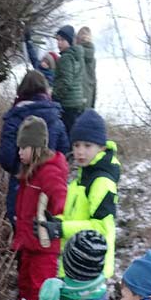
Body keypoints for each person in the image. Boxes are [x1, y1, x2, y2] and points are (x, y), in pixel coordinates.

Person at [37, 109, 120, 280]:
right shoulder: (79, 180)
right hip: (74, 266)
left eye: (87, 146)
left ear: (102, 147)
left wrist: (61, 229)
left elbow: (102, 229)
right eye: (76, 145)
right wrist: (54, 223)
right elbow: (75, 217)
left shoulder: (102, 182)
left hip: (91, 271)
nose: (80, 152)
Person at [10, 115, 68, 300]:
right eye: (19, 147)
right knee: (25, 288)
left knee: (39, 294)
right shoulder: (30, 172)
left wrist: (53, 221)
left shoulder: (49, 172)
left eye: (23, 148)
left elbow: (61, 200)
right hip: (29, 245)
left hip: (43, 248)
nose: (19, 152)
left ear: (36, 147)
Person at [0, 70, 69, 226]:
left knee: (22, 228)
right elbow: (64, 150)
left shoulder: (15, 117)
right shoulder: (55, 116)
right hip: (50, 181)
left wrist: (20, 170)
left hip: (21, 185)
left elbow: (6, 157)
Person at [51, 25, 86, 138]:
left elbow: (66, 81)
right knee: (74, 137)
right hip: (77, 103)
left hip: (67, 104)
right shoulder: (77, 56)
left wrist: (54, 95)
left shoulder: (66, 58)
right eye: (58, 40)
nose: (59, 43)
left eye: (62, 40)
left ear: (70, 41)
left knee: (66, 138)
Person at [76, 27, 97, 109]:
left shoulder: (75, 54)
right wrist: (93, 104)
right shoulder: (93, 59)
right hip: (89, 96)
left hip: (76, 97)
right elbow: (94, 81)